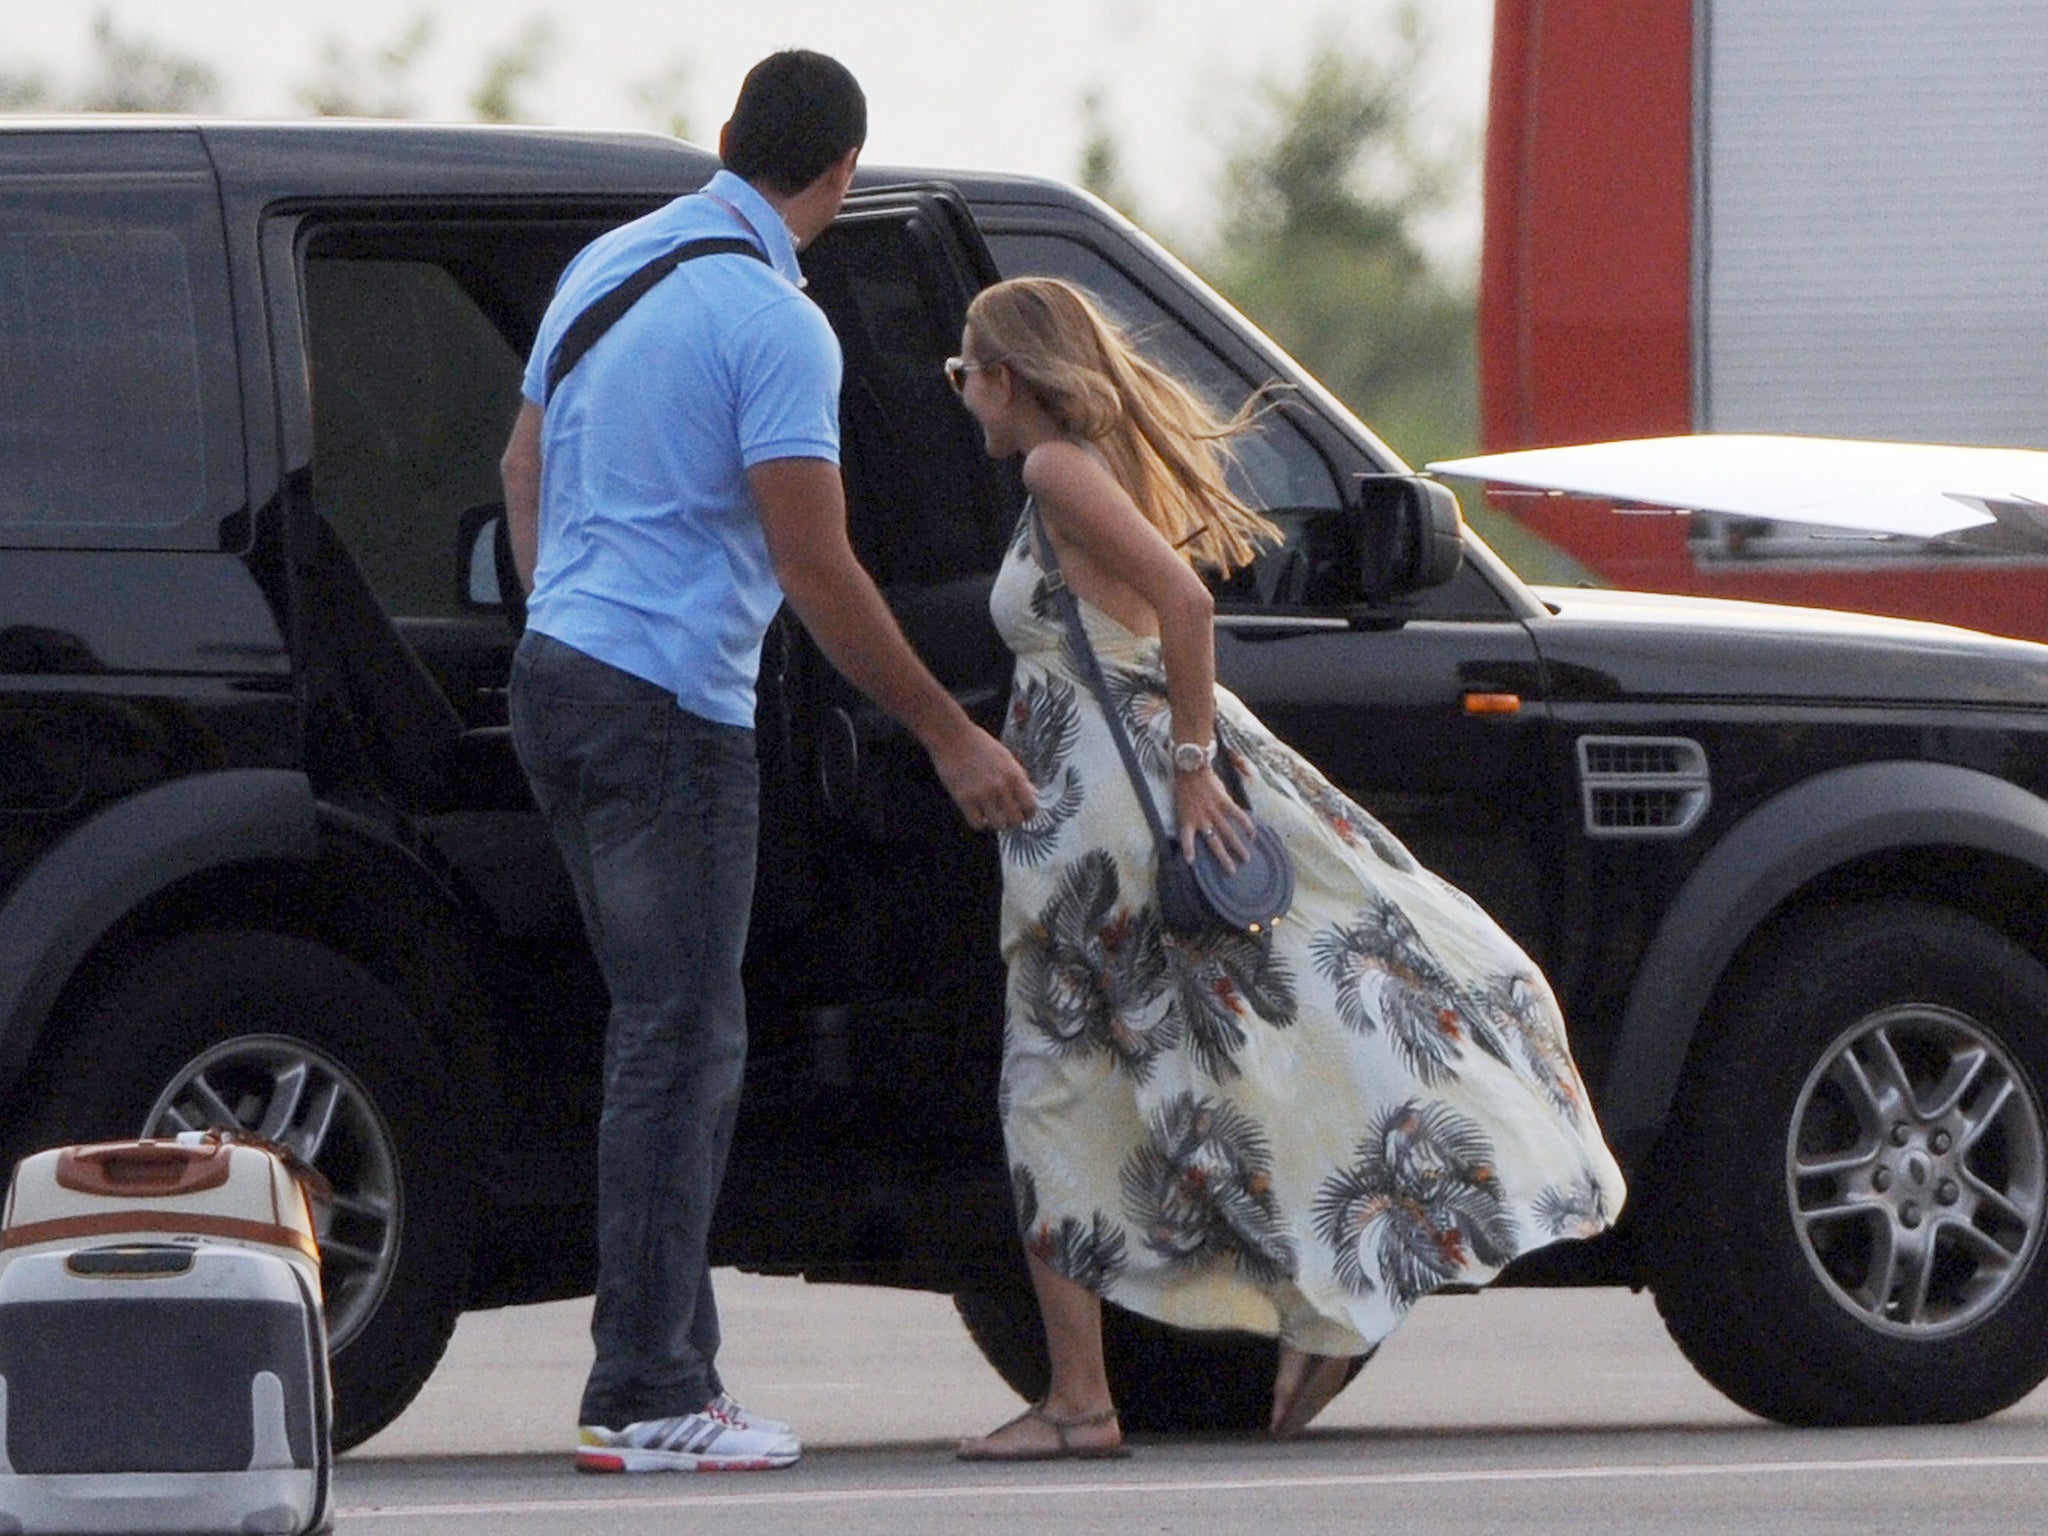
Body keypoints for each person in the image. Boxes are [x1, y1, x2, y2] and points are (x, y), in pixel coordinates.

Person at [949, 278, 1627, 1460]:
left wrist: (1197, 762)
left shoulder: (1054, 472)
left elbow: (1177, 604)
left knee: (1063, 1091)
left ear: (1011, 378)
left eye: (966, 374)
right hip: (1099, 817)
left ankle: (1092, 1396)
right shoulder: (1079, 467)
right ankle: (1322, 1307)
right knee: (1223, 1068)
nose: (961, 397)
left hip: (1115, 821)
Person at [499, 52, 1037, 1475]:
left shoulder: (608, 265)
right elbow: (817, 564)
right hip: (669, 707)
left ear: (729, 140)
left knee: (652, 1034)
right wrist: (949, 729)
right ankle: (651, 1391)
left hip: (557, 678)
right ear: (842, 173)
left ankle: (661, 1375)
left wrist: (569, 612)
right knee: (682, 1044)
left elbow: (519, 467)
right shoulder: (774, 323)